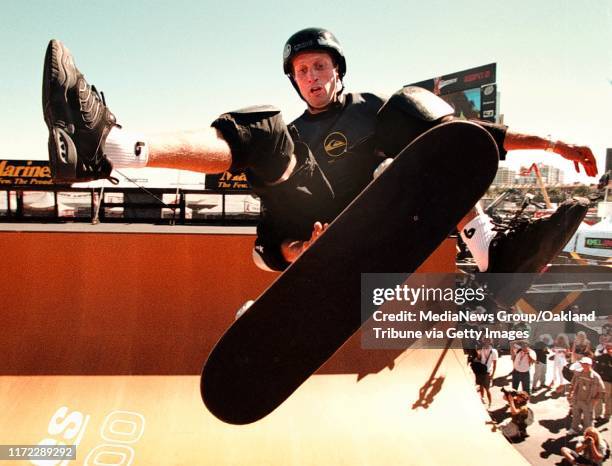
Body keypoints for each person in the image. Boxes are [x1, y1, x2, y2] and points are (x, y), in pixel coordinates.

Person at [41, 29, 598, 277]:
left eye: (319, 67)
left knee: (412, 108)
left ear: (337, 71)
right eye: (302, 71)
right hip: (330, 230)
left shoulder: (370, 110)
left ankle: (489, 246)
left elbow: (474, 140)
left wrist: (552, 142)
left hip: (392, 212)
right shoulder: (294, 137)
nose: (311, 77)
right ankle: (113, 148)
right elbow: (262, 250)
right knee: (263, 133)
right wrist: (293, 252)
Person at [567, 357, 605, 435]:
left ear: (590, 365)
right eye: (583, 363)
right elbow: (572, 384)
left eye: (586, 364)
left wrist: (595, 400)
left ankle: (587, 433)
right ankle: (574, 429)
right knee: (576, 416)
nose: (584, 365)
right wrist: (569, 394)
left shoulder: (595, 377)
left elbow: (602, 390)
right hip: (577, 398)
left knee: (588, 418)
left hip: (588, 401)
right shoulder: (578, 373)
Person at [474, 337, 498, 407]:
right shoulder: (482, 349)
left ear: (490, 341)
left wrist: (493, 375)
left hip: (487, 372)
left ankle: (490, 403)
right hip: (481, 370)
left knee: (487, 389)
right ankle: (482, 398)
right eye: (484, 340)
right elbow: (479, 358)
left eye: (487, 340)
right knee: (481, 386)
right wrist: (477, 353)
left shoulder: (493, 351)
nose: (486, 342)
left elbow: (495, 364)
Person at [593, 342, 612, 421]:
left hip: (610, 382)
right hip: (602, 381)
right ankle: (598, 415)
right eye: (608, 348)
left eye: (610, 348)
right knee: (599, 398)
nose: (609, 350)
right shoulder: (601, 357)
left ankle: (607, 416)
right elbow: (595, 368)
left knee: (609, 399)